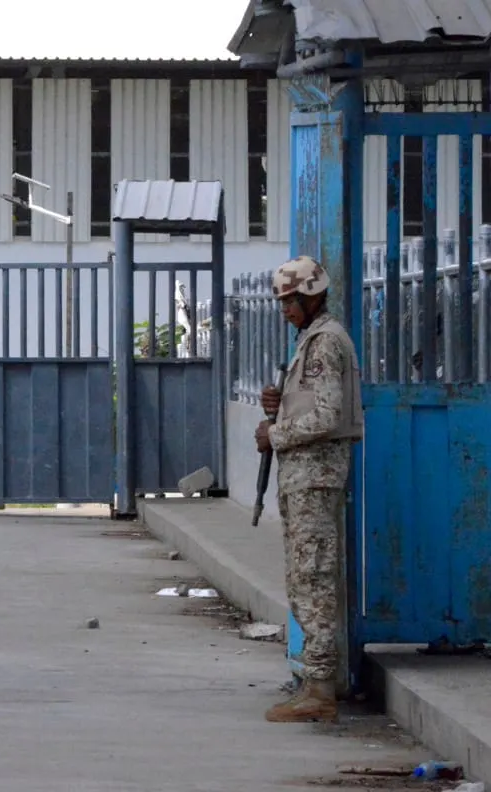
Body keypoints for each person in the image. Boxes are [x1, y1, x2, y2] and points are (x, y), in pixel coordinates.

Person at [255, 255, 363, 724]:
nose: (285, 311)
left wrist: (274, 434)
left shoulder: (324, 344)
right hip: (304, 479)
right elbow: (311, 404)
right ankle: (316, 683)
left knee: (313, 580)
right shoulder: (311, 341)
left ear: (311, 296)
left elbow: (328, 416)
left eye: (289, 302)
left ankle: (320, 689)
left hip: (314, 479)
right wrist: (277, 406)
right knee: (304, 577)